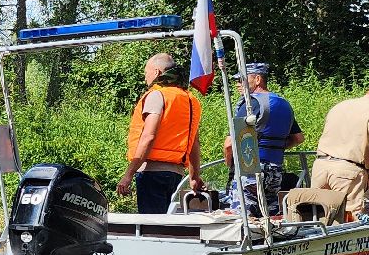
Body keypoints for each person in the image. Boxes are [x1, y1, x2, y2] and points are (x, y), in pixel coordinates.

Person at [117, 52, 204, 215]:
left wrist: (128, 174)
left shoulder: (157, 95)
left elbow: (148, 137)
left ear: (156, 72)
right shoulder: (190, 100)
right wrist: (194, 177)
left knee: (152, 229)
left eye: (146, 72)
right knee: (167, 225)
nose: (145, 78)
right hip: (176, 175)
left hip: (152, 173)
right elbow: (194, 144)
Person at [310, 74, 369, 221]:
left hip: (320, 166)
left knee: (319, 219)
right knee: (351, 223)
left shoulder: (340, 106)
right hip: (348, 174)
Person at [220, 62, 304, 215]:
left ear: (257, 79)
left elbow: (229, 144)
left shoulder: (251, 103)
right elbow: (298, 138)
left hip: (250, 171)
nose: (238, 84)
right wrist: (274, 148)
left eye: (242, 80)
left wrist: (230, 164)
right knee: (269, 216)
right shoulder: (284, 104)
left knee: (243, 219)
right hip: (275, 170)